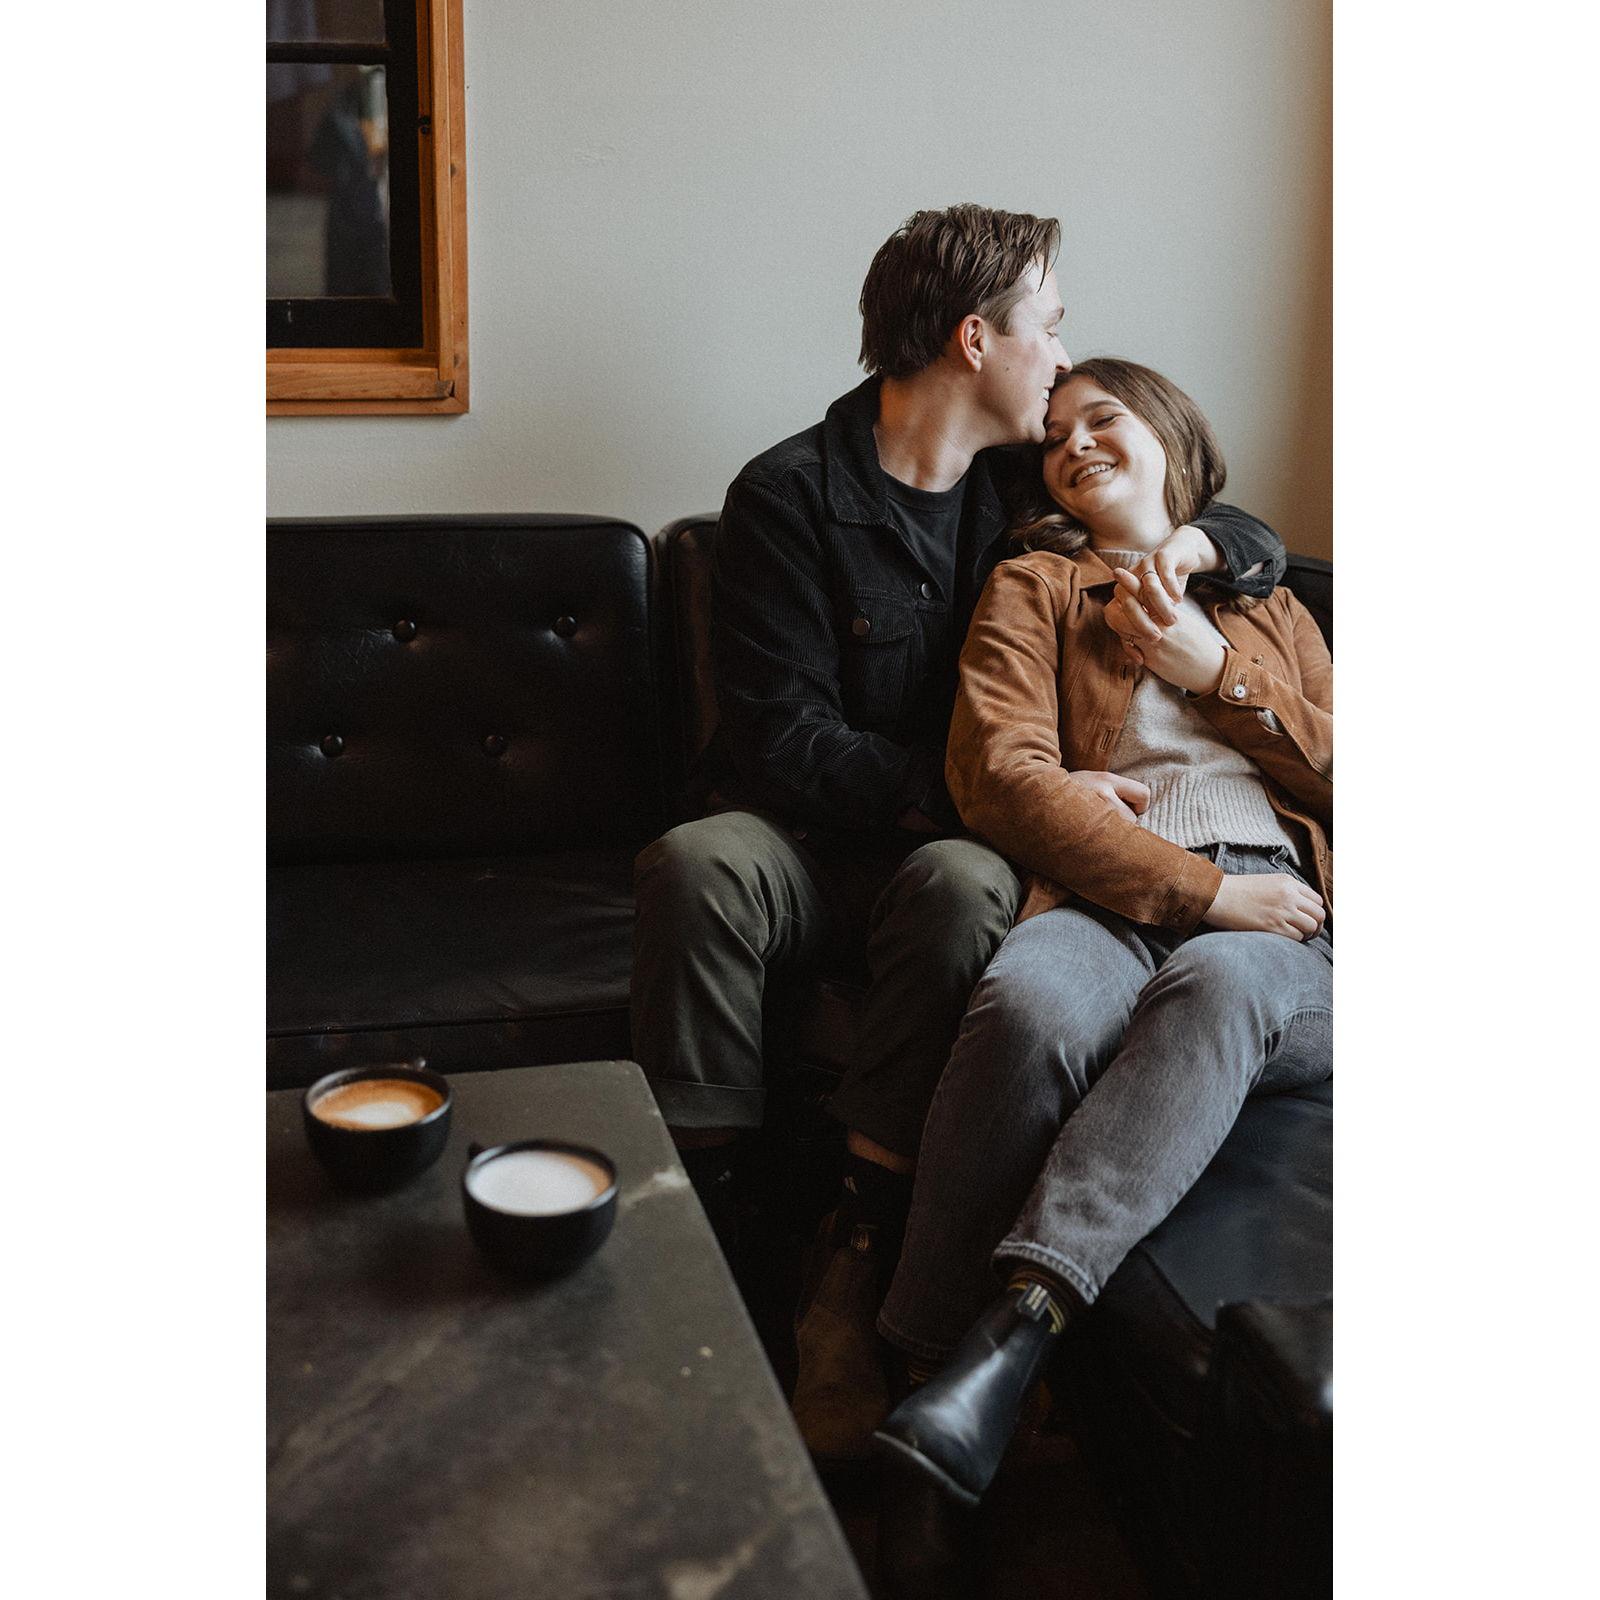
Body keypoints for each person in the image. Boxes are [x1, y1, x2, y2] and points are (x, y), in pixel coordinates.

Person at [628, 209, 1289, 1460]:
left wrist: (1203, 542)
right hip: (806, 837)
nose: (1062, 356)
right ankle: (698, 1235)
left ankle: (852, 1260)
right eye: (1049, 324)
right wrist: (1000, 788)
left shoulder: (1025, 487)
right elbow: (781, 738)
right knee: (695, 862)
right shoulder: (787, 493)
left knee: (959, 883)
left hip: (948, 856)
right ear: (974, 338)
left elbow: (1230, 525)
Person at [869, 357, 1332, 1506]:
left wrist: (1217, 675)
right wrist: (1199, 889)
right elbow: (999, 773)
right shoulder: (1033, 586)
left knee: (1222, 984)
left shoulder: (1271, 606)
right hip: (1111, 896)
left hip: (1283, 915)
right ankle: (927, 1397)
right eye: (1054, 436)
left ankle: (1013, 1331)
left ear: (1168, 431)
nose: (1071, 443)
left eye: (1101, 418)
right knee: (1026, 1003)